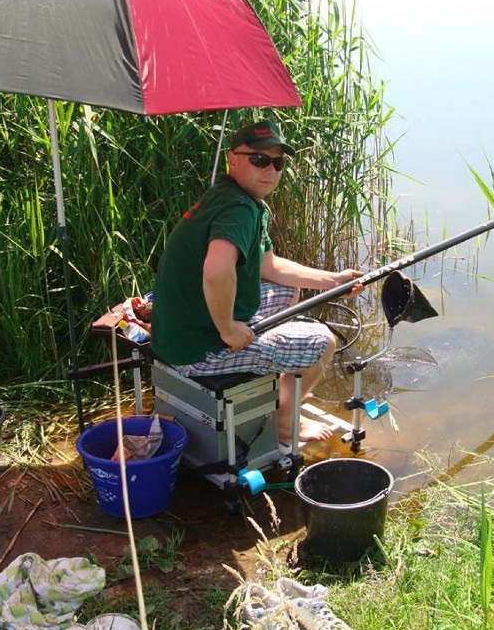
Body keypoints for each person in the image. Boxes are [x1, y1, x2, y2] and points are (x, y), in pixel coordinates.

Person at [151, 120, 363, 442]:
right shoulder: (238, 209)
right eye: (260, 160)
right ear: (232, 160)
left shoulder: (231, 197)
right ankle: (284, 421)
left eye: (278, 162)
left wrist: (334, 280)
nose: (271, 170)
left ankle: (279, 376)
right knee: (325, 342)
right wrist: (228, 329)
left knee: (289, 288)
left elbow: (269, 265)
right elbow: (216, 271)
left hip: (180, 328)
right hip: (196, 351)